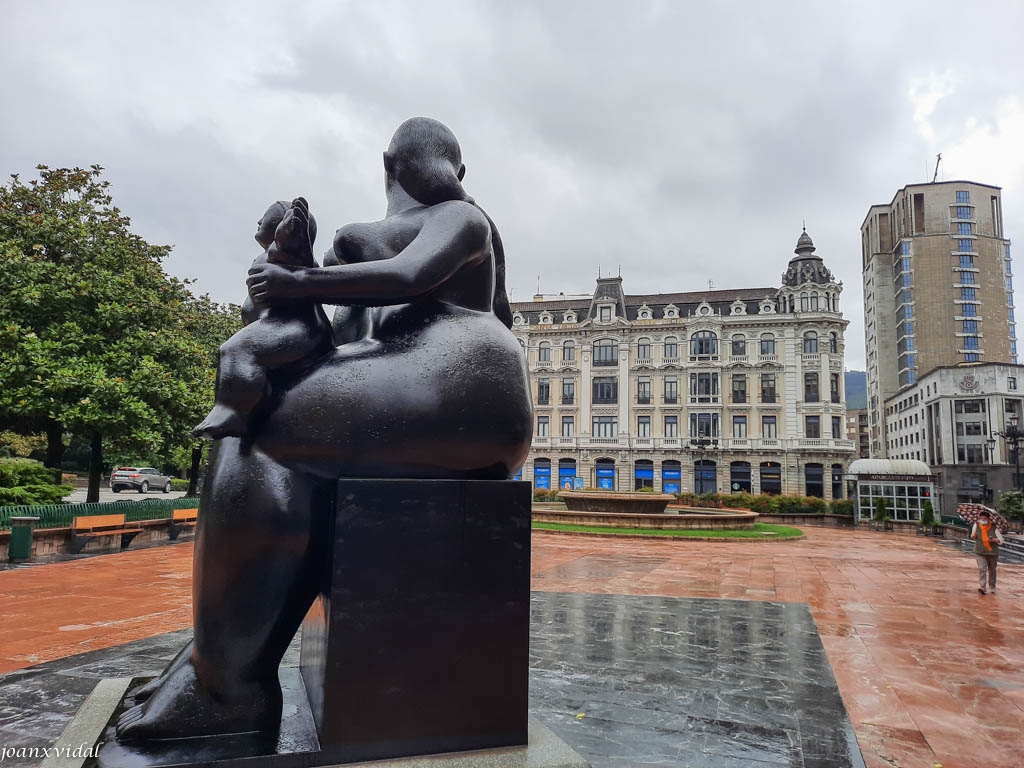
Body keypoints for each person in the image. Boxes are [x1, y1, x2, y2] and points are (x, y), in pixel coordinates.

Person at [116, 117, 533, 742]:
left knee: (260, 435)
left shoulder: (458, 219)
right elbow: (314, 337)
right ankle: (220, 667)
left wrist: (300, 280)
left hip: (461, 379)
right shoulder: (362, 259)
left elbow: (408, 277)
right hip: (413, 382)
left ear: (389, 162)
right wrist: (287, 268)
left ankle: (226, 685)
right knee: (263, 417)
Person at [192, 198, 333, 440]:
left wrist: (291, 236)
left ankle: (232, 413)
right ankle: (258, 400)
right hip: (276, 325)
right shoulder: (265, 256)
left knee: (236, 350)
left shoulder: (285, 252)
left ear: (282, 226)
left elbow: (298, 259)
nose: (258, 221)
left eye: (265, 217)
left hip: (299, 328)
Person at [971, 509, 1004, 595]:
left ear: (988, 519)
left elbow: (1001, 540)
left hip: (992, 553)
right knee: (982, 569)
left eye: (985, 519)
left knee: (992, 570)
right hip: (980, 551)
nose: (983, 520)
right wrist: (974, 535)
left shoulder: (994, 528)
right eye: (981, 518)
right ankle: (983, 587)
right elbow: (973, 535)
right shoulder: (976, 526)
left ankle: (992, 587)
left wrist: (995, 540)